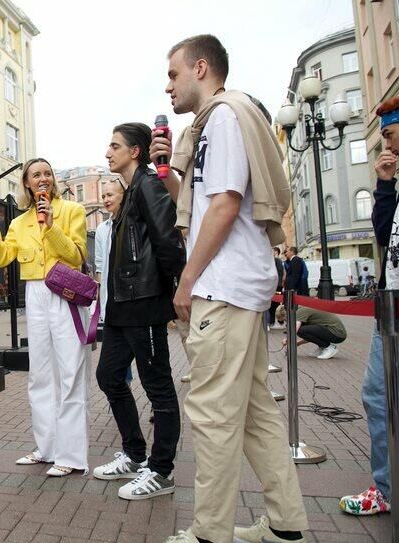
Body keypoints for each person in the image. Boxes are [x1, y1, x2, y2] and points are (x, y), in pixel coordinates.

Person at [151, 35, 309, 543]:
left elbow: (223, 204)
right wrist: (168, 176)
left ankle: (209, 533)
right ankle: (286, 525)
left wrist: (188, 279)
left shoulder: (221, 117)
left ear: (201, 68)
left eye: (174, 74)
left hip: (221, 289)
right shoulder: (223, 119)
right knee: (255, 415)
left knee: (215, 417)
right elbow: (203, 204)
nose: (168, 85)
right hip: (240, 289)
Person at [0, 158, 91, 477]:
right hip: (35, 294)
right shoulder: (19, 222)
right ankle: (46, 447)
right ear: (27, 183)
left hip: (65, 292)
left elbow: (77, 255)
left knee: (70, 373)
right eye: (36, 174)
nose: (44, 178)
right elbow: (2, 257)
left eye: (48, 172)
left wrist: (50, 227)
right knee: (40, 374)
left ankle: (72, 455)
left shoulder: (71, 212)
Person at [92, 123, 185, 500]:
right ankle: (134, 454)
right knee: (109, 376)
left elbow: (168, 240)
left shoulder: (148, 183)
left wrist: (173, 288)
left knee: (158, 387)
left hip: (144, 302)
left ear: (135, 151)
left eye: (114, 145)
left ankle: (161, 471)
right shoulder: (131, 191)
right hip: (121, 306)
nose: (107, 152)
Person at [339, 95, 399, 516]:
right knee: (378, 396)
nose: (386, 145)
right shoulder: (394, 178)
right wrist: (384, 186)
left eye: (391, 135)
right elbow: (385, 238)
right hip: (389, 309)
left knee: (379, 395)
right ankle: (387, 489)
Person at [95, 180, 133, 384]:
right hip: (111, 302)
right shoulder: (102, 229)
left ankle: (155, 404)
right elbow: (100, 264)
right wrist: (102, 298)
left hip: (134, 301)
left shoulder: (134, 222)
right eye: (103, 196)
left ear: (124, 196)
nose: (106, 200)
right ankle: (122, 391)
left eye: (110, 195)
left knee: (147, 360)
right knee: (115, 361)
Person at [275, 304, 347, 359]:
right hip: (336, 333)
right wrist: (297, 343)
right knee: (302, 330)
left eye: (285, 319)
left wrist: (288, 340)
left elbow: (295, 330)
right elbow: (312, 335)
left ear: (287, 314)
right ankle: (323, 347)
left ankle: (329, 347)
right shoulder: (299, 311)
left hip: (337, 333)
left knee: (300, 330)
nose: (286, 322)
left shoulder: (300, 312)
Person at [269, 248, 285, 329]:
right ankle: (273, 321)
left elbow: (279, 273)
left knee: (275, 304)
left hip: (276, 286)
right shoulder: (273, 261)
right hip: (273, 285)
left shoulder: (277, 261)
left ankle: (279, 321)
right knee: (272, 305)